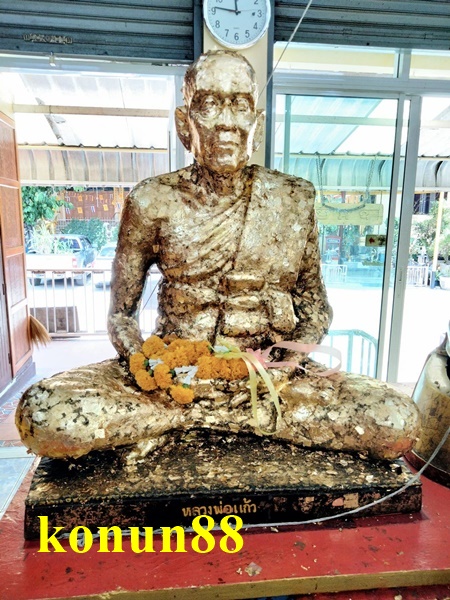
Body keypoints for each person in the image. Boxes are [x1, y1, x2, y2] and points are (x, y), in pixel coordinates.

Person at [16, 50, 419, 462]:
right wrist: (152, 368)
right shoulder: (153, 200)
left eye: (239, 105)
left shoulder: (292, 199)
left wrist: (286, 364)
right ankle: (210, 416)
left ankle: (195, 420)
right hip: (178, 378)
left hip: (270, 378)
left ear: (256, 123)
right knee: (47, 414)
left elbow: (315, 308)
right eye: (208, 104)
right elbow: (121, 316)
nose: (226, 122)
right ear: (184, 123)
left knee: (395, 419)